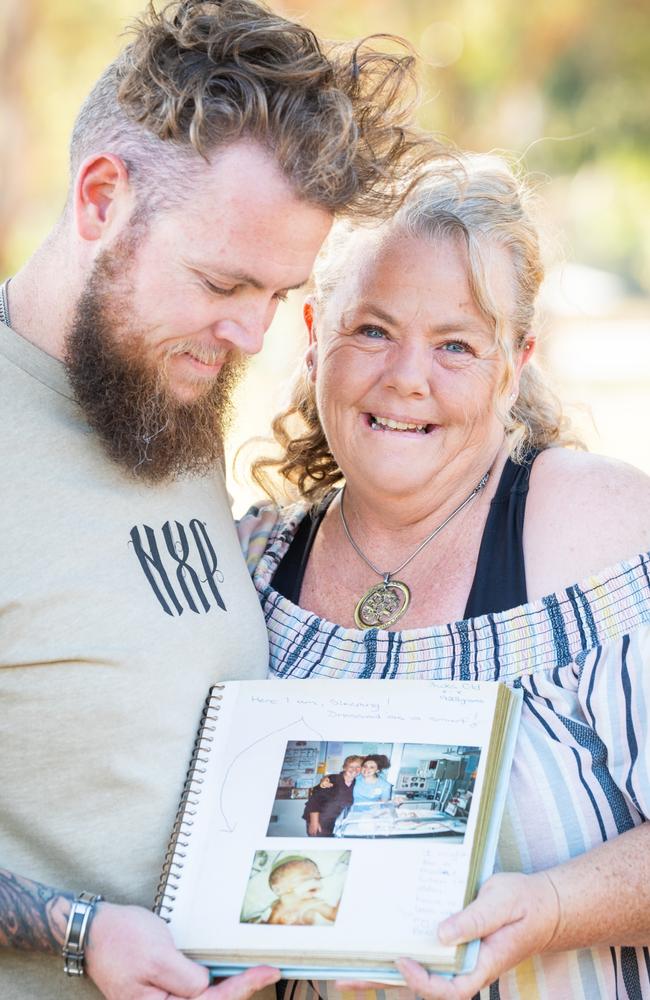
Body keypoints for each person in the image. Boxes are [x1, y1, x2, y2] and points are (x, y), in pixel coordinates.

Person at [0, 2, 433, 997]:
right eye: (222, 281)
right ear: (100, 200)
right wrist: (78, 934)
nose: (249, 335)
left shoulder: (159, 394)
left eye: (276, 295)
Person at [238, 153, 650, 999]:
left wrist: (554, 907)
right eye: (374, 330)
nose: (407, 379)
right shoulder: (250, 562)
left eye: (457, 344)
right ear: (316, 334)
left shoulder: (596, 530)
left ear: (515, 361)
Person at [267, 858, 338, 926]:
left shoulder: (313, 903)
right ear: (279, 889)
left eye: (318, 878)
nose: (314, 881)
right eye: (305, 879)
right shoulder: (277, 907)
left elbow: (334, 915)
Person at [303, 756, 363, 836]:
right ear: (344, 768)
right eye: (351, 766)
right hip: (320, 820)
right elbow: (314, 799)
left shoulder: (357, 783)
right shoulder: (332, 779)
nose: (354, 769)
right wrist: (314, 822)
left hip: (337, 821)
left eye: (358, 767)